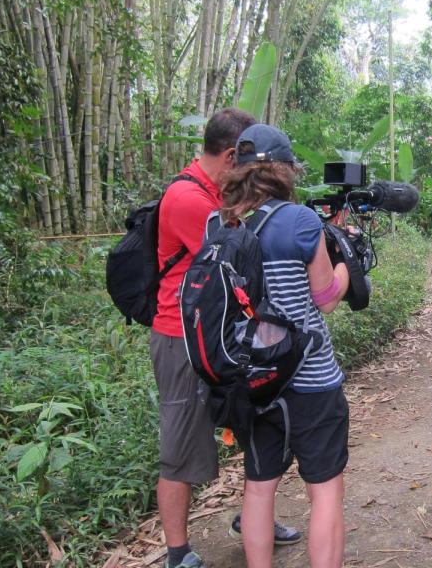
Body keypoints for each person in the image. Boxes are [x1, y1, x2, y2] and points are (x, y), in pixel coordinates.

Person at [150, 109, 299, 568]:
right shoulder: (189, 200)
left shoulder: (219, 197)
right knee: (181, 442)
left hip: (228, 332)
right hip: (184, 341)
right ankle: (177, 552)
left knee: (256, 424)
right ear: (234, 155)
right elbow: (244, 254)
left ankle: (253, 517)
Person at [221, 124, 351, 568]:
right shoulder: (298, 220)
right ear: (283, 171)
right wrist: (347, 267)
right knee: (325, 490)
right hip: (310, 380)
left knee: (258, 487)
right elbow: (326, 300)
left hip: (253, 382)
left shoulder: (220, 223)